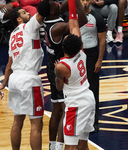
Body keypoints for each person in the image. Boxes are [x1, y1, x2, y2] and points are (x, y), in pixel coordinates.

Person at [0, 1, 51, 149]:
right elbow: (43, 10)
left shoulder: (12, 35)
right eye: (24, 13)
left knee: (17, 122)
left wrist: (4, 84)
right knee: (36, 124)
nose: (28, 13)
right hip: (29, 79)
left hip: (15, 80)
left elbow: (9, 65)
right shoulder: (29, 26)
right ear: (19, 19)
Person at [43, 0, 87, 149]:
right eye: (53, 3)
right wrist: (76, 2)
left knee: (56, 108)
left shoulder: (48, 19)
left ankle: (51, 145)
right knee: (64, 109)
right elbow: (81, 21)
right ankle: (60, 145)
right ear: (52, 11)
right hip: (62, 67)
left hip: (51, 64)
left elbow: (60, 8)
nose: (56, 2)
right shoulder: (58, 27)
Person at [54, 0, 95, 148]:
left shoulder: (61, 67)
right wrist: (72, 2)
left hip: (76, 104)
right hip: (88, 99)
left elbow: (58, 87)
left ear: (63, 47)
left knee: (70, 146)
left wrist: (56, 71)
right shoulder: (81, 52)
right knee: (83, 144)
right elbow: (74, 22)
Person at [80, 0, 106, 132]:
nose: (83, 2)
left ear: (89, 1)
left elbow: (102, 40)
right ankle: (78, 120)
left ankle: (94, 122)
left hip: (91, 55)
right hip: (77, 55)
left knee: (93, 89)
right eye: (81, 0)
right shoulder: (72, 17)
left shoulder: (97, 17)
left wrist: (99, 60)